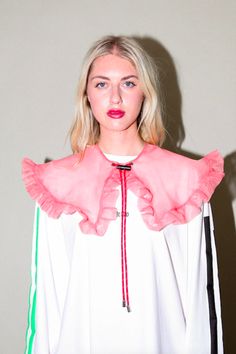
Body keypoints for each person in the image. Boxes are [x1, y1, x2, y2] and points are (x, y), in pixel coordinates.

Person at [22, 36, 224, 354]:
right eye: (102, 84)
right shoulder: (56, 184)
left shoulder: (188, 181)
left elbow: (203, 300)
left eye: (128, 83)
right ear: (86, 95)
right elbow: (45, 299)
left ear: (145, 92)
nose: (115, 97)